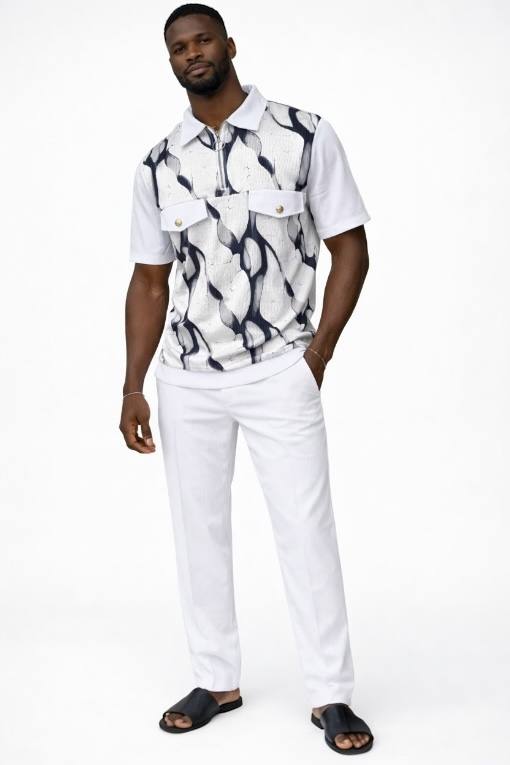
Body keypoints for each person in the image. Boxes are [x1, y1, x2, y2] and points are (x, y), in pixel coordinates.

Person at [119, 2, 374, 755]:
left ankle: (331, 694)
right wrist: (133, 384)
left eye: (202, 40)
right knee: (197, 533)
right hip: (187, 378)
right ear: (171, 61)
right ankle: (215, 679)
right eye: (178, 47)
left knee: (306, 530)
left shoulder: (304, 134)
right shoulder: (158, 164)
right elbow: (149, 281)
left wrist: (316, 355)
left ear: (229, 45)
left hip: (279, 369)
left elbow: (351, 247)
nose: (192, 54)